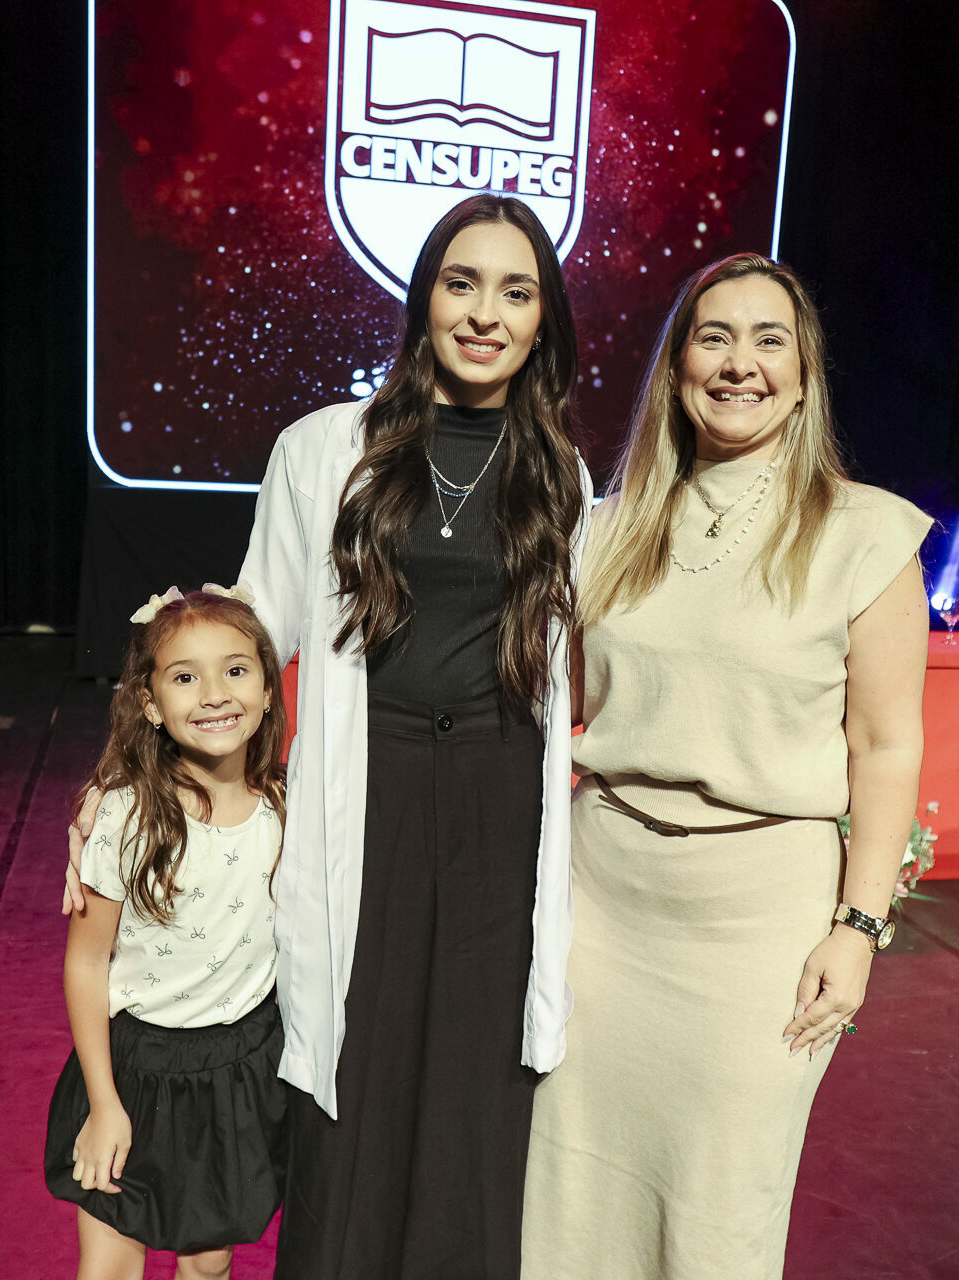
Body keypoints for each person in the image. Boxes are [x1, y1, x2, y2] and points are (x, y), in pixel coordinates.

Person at [67, 195, 593, 1279]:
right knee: (358, 1058)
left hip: (501, 801)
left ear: (544, 318)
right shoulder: (323, 447)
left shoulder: (561, 474)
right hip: (369, 789)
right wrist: (125, 771)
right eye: (461, 282)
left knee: (477, 1072)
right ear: (424, 297)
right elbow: (245, 634)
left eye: (516, 291)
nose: (485, 313)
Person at [521, 254, 933, 1279]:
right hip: (600, 908)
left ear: (803, 375)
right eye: (714, 337)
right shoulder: (606, 529)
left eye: (768, 340)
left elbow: (886, 745)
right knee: (569, 1186)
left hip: (758, 927)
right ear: (676, 369)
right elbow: (548, 707)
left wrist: (859, 928)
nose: (739, 363)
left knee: (719, 1204)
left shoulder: (866, 534)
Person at [46, 585, 290, 1280]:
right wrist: (104, 1104)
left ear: (268, 688)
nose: (214, 694)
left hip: (237, 1071)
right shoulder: (124, 818)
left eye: (235, 670)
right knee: (110, 1266)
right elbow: (86, 964)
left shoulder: (289, 807)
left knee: (209, 1262)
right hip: (136, 1069)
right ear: (150, 704)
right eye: (185, 677)